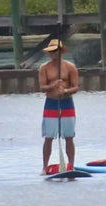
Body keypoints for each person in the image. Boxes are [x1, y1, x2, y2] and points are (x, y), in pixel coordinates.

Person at [39, 39, 79, 175]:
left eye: (54, 52)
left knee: (69, 136)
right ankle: (44, 167)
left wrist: (66, 91)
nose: (52, 54)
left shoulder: (70, 67)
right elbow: (43, 87)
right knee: (48, 137)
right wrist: (53, 85)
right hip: (51, 104)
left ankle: (71, 165)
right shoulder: (44, 68)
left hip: (67, 103)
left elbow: (76, 87)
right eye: (50, 52)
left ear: (61, 52)